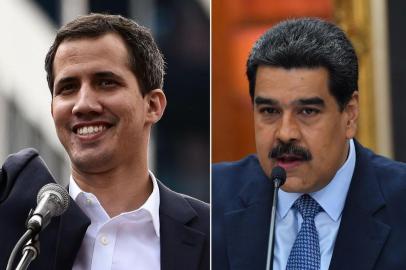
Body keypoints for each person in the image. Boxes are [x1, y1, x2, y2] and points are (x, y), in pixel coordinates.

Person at [0, 13, 209, 270]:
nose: (84, 104)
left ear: (153, 105)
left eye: (106, 83)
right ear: (53, 110)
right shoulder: (16, 236)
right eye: (68, 88)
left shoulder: (217, 236)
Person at [212, 18, 406, 270]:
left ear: (349, 114)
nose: (285, 133)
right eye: (269, 111)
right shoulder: (212, 197)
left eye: (307, 112)